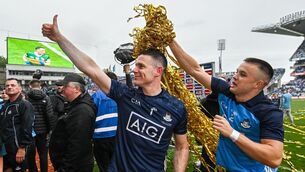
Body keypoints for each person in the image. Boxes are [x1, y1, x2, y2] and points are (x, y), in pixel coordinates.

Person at [42, 15, 189, 172]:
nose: (134, 69)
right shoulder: (126, 95)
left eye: (141, 66)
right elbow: (90, 68)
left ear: (158, 71)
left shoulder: (176, 108)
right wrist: (59, 38)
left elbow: (182, 147)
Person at [169, 40, 284, 171]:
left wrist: (232, 133)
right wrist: (170, 40)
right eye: (237, 72)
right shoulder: (226, 92)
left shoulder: (268, 112)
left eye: (242, 74)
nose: (235, 76)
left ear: (258, 84)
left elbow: (274, 158)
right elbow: (195, 70)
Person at [48, 73, 96, 172]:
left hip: (74, 167)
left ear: (76, 89)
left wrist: (65, 168)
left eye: (65, 86)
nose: (62, 89)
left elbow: (77, 145)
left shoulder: (81, 110)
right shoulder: (76, 106)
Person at [1, 78, 35, 172]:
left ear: (19, 89)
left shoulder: (25, 105)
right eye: (7, 85)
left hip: (17, 148)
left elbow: (27, 127)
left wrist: (22, 148)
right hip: (5, 148)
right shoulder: (4, 106)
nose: (9, 87)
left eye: (13, 85)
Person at [26, 79, 56, 172]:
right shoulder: (46, 97)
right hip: (43, 130)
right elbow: (50, 115)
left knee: (31, 154)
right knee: (43, 154)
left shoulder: (26, 97)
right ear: (40, 86)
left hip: (30, 130)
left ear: (30, 86)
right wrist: (50, 130)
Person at [92, 71, 118, 172]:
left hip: (100, 137)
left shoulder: (96, 96)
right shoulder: (121, 95)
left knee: (104, 167)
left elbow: (91, 117)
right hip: (117, 136)